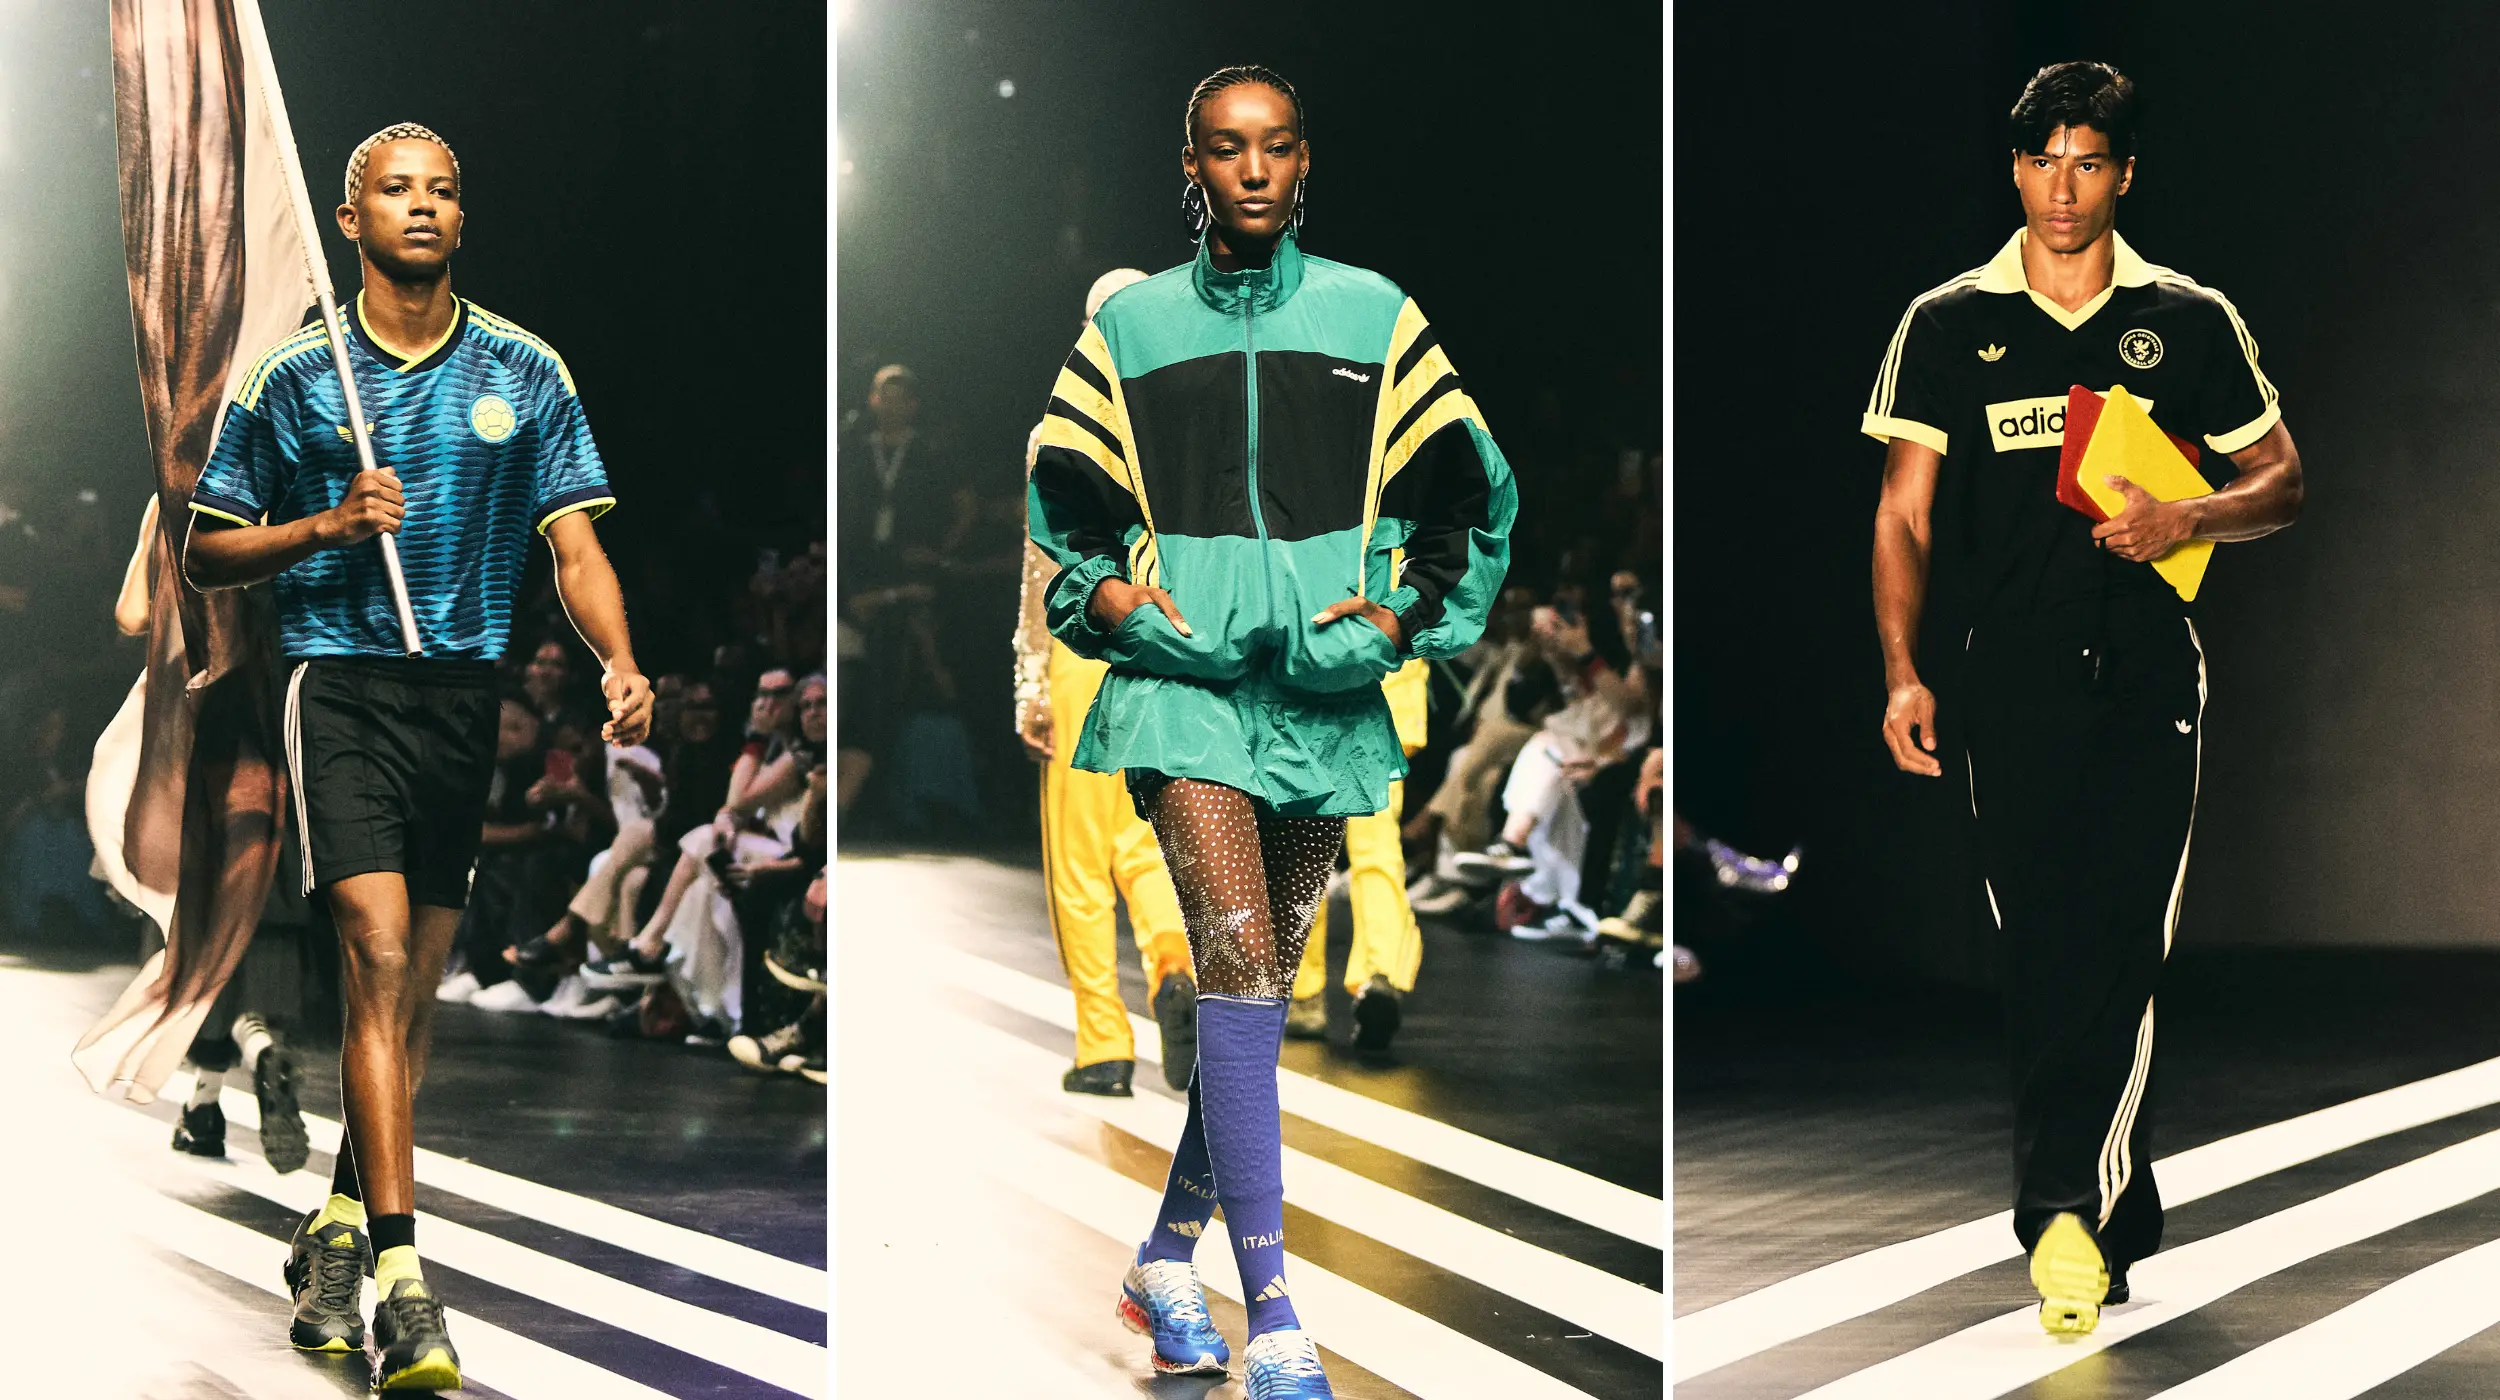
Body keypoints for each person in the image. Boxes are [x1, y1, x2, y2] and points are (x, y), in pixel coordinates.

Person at [1028, 67, 1514, 1396]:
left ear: (1305, 163)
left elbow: (1472, 490)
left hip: (1320, 695)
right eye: (1227, 149)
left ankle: (1163, 1258)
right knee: (1239, 966)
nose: (1253, 169)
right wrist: (1106, 597)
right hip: (1180, 688)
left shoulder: (1374, 314)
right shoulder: (1131, 326)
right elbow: (1063, 500)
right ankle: (1280, 1315)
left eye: (1277, 147)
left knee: (1250, 1005)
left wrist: (1403, 614)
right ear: (1191, 166)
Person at [181, 123, 652, 1390]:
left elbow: (575, 545)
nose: (423, 205)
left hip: (460, 696)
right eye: (396, 190)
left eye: (443, 188)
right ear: (351, 220)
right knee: (377, 954)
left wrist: (616, 657)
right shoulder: (297, 375)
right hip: (338, 684)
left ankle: (336, 1226)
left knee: (408, 998)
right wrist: (328, 524)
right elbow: (204, 547)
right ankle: (404, 1282)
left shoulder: (524, 367)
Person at [1865, 63, 2302, 1336]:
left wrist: (2188, 513)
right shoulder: (1945, 323)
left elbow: (2280, 481)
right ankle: (2114, 1194)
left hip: (2149, 671)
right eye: (2044, 160)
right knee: (2042, 939)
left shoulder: (2187, 318)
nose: (2064, 187)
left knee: (2122, 937)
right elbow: (1902, 513)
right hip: (2005, 671)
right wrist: (1901, 670)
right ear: (2015, 169)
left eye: (2089, 161)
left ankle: (2059, 1207)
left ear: (2125, 174)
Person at [1014, 267, 1199, 1098]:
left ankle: (1103, 1045)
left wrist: (1030, 679)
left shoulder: (1061, 425)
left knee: (1079, 858)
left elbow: (1041, 563)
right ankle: (1173, 964)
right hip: (1165, 644)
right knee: (1147, 838)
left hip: (1085, 648)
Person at [1286, 656, 1429, 1051]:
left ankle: (1303, 993)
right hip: (1389, 668)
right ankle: (1380, 973)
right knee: (1377, 843)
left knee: (1305, 839)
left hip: (1315, 667)